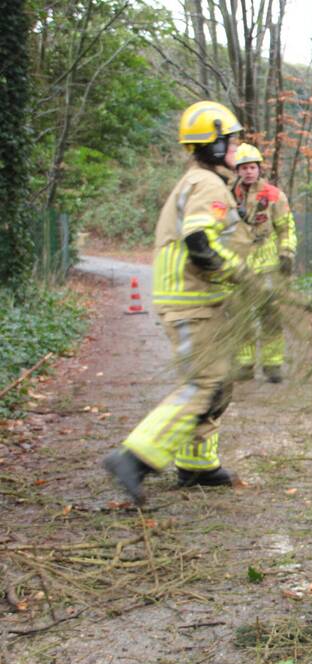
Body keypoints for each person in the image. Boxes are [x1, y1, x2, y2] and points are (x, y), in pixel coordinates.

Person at [102, 101, 252, 504]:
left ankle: (197, 464)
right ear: (215, 145)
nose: (237, 148)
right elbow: (199, 242)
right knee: (204, 384)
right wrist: (241, 275)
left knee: (217, 383)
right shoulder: (207, 185)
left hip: (201, 300)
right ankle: (133, 459)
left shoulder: (199, 181)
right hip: (194, 300)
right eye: (232, 141)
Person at [229, 143, 298, 383]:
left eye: (252, 167)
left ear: (259, 168)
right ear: (237, 170)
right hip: (239, 267)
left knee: (270, 316)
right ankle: (245, 364)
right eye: (244, 168)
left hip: (268, 267)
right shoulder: (227, 197)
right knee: (242, 317)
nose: (249, 172)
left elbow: (286, 227)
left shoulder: (274, 196)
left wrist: (287, 253)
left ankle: (273, 364)